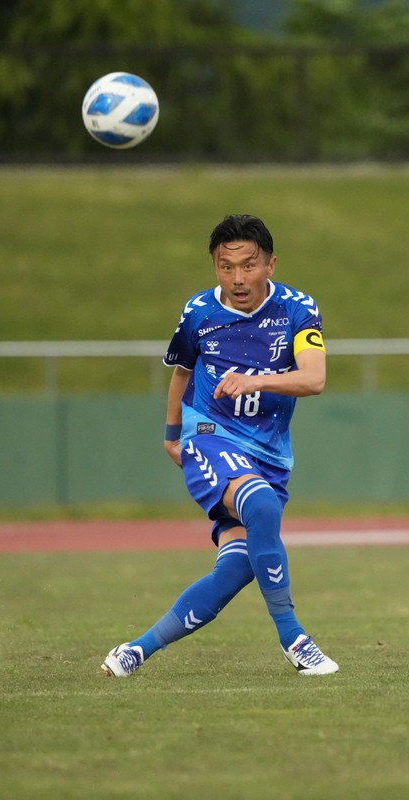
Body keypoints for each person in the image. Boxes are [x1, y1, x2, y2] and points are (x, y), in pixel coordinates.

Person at [101, 213, 339, 678]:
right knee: (261, 505)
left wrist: (255, 380)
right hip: (210, 435)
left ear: (270, 265)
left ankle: (135, 651)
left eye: (248, 265)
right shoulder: (199, 312)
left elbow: (314, 378)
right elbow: (181, 373)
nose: (237, 278)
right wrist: (173, 436)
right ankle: (294, 639)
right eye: (225, 267)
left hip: (269, 453)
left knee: (235, 570)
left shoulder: (297, 308)